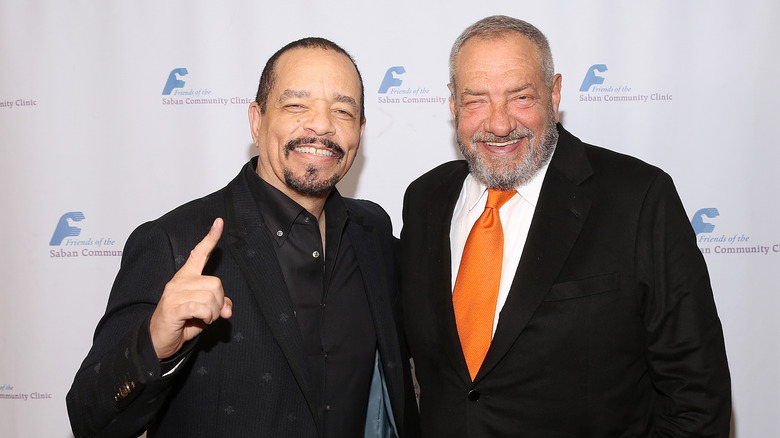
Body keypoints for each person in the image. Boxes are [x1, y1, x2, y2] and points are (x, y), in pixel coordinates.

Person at [67, 37, 419, 438]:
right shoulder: (174, 243)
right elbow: (88, 416)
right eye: (296, 105)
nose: (322, 125)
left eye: (342, 110)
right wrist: (154, 345)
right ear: (257, 120)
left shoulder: (372, 232)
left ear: (360, 130)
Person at [400, 15, 731, 437]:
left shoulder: (638, 198)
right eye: (476, 100)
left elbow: (697, 396)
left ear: (554, 94)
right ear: (452, 104)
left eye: (520, 97)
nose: (500, 124)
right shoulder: (425, 199)